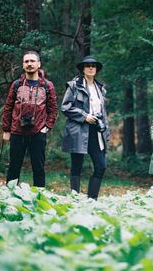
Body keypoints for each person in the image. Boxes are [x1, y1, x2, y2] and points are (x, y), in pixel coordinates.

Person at [2, 50, 58, 187]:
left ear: (39, 64)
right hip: (17, 132)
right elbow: (8, 107)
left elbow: (53, 109)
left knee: (38, 168)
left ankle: (39, 198)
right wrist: (6, 129)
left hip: (38, 133)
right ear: (23, 65)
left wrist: (47, 127)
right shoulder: (17, 85)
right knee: (14, 167)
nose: (29, 64)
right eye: (26, 61)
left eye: (32, 61)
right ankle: (9, 197)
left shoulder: (47, 85)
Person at [61, 55, 110, 199]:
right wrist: (84, 116)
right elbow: (65, 107)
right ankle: (75, 199)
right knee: (77, 166)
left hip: (96, 131)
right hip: (79, 130)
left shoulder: (100, 88)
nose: (90, 68)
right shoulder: (74, 86)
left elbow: (103, 112)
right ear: (83, 69)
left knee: (101, 166)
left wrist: (106, 130)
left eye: (93, 66)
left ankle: (92, 200)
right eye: (87, 65)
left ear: (96, 69)